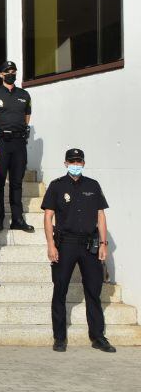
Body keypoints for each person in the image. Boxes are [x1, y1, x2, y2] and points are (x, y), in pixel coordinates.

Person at [41, 148, 116, 353]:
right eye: (72, 161)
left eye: (79, 161)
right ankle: (59, 338)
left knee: (93, 291)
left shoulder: (93, 185)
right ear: (65, 163)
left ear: (83, 163)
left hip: (89, 245)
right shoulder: (57, 186)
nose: (76, 164)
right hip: (65, 244)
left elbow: (100, 215)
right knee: (60, 290)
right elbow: (48, 216)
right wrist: (50, 244)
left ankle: (98, 336)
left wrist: (103, 244)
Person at [0, 60, 35, 233]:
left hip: (19, 143)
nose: (11, 74)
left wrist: (21, 130)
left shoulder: (24, 95)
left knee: (16, 182)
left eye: (13, 71)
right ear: (1, 75)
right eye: (8, 71)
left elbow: (27, 116)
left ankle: (17, 219)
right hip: (1, 143)